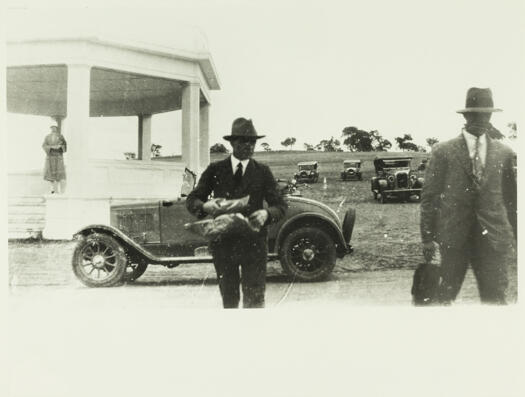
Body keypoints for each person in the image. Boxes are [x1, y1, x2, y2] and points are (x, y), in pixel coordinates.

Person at [420, 87, 517, 305]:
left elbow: (513, 201)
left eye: (486, 114)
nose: (481, 119)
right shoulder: (443, 151)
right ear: (465, 116)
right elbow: (429, 197)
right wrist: (427, 238)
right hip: (454, 240)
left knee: (495, 300)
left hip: (493, 241)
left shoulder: (504, 153)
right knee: (443, 298)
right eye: (475, 114)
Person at [186, 118, 287, 308]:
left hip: (254, 246)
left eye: (252, 142)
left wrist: (266, 214)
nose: (248, 146)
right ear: (232, 143)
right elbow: (192, 199)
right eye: (243, 141)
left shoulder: (263, 171)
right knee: (229, 300)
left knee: (255, 299)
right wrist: (205, 206)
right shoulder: (215, 170)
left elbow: (280, 205)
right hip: (223, 246)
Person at [42, 125, 67, 194]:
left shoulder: (60, 136)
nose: (53, 129)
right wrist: (51, 147)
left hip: (58, 157)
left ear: (56, 129)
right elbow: (44, 145)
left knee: (59, 173)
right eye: (52, 128)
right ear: (50, 129)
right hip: (50, 156)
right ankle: (52, 189)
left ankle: (59, 189)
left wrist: (60, 147)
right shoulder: (47, 137)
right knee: (50, 173)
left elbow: (65, 145)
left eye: (55, 128)